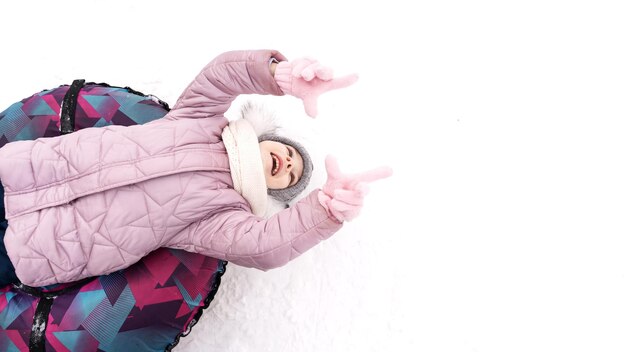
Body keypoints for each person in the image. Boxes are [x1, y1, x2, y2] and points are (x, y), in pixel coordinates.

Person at [0, 49, 392, 287]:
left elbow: (266, 247)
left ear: (276, 191)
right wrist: (280, 75)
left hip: (35, 247)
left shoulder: (222, 217)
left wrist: (325, 210)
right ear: (266, 139)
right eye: (289, 154)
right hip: (20, 175)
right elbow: (221, 75)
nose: (287, 164)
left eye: (291, 177)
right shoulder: (199, 119)